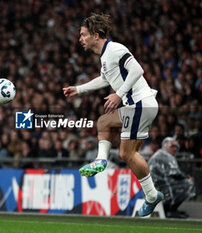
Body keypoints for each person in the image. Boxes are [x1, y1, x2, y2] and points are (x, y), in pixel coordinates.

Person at [63, 13, 163, 216]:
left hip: (139, 104)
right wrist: (78, 89)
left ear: (96, 35)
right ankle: (101, 160)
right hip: (137, 106)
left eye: (83, 35)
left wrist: (119, 94)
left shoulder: (115, 49)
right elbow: (104, 79)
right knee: (104, 122)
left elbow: (137, 69)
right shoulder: (105, 56)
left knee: (127, 153)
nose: (80, 39)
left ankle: (152, 195)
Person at [148, 137, 195, 218]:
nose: (175, 148)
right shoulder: (166, 155)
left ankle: (169, 209)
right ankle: (171, 210)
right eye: (172, 146)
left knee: (179, 183)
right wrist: (187, 178)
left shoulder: (159, 154)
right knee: (189, 184)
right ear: (165, 146)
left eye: (176, 146)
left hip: (152, 188)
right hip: (159, 187)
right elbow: (175, 174)